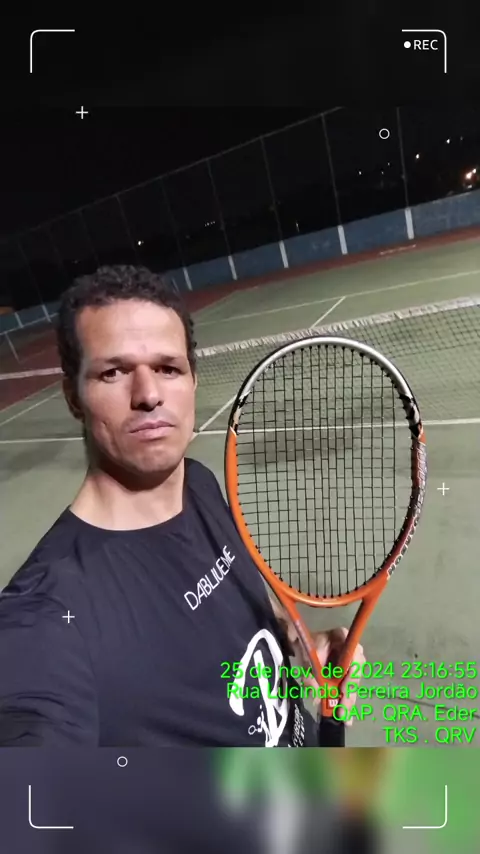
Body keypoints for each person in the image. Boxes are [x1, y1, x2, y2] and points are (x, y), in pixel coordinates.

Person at [0, 265, 365, 747]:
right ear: (73, 396)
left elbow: (238, 608)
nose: (149, 395)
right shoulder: (47, 614)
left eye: (168, 368)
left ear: (193, 380)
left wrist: (299, 639)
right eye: (113, 372)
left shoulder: (201, 484)